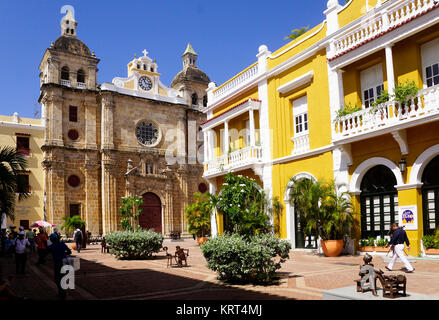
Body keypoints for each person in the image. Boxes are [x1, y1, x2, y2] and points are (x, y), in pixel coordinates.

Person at [47, 233, 72, 300]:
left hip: (58, 264)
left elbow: (46, 252)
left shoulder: (52, 246)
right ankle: (62, 292)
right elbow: (69, 252)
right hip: (65, 263)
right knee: (63, 278)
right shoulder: (62, 244)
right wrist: (63, 253)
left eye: (50, 238)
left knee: (57, 279)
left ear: (52, 239)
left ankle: (62, 292)